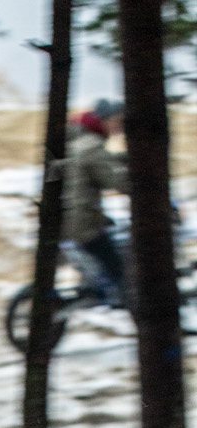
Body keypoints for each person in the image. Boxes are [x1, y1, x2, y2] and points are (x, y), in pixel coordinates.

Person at [62, 98, 128, 302]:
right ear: (105, 120)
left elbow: (103, 165)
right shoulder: (91, 146)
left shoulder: (78, 141)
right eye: (117, 121)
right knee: (116, 264)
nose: (118, 128)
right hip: (82, 222)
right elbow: (117, 181)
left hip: (69, 217)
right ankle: (120, 300)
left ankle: (99, 289)